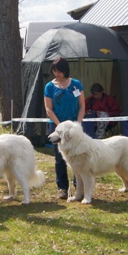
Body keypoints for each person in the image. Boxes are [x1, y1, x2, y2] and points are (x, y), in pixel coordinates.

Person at [44, 57, 85, 199]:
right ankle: (62, 187)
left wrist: (77, 124)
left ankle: (78, 186)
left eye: (60, 71)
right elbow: (49, 109)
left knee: (78, 156)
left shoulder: (76, 84)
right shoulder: (49, 86)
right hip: (56, 126)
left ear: (65, 70)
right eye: (54, 71)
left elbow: (82, 106)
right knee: (60, 158)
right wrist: (59, 125)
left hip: (74, 127)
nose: (57, 74)